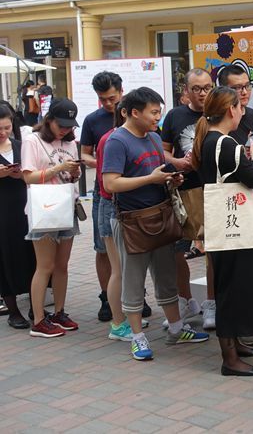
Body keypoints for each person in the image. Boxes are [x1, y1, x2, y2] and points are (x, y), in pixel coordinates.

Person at [103, 87, 209, 361]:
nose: (157, 117)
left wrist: (169, 179)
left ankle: (176, 328)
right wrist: (150, 179)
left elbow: (158, 171)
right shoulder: (118, 141)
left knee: (165, 276)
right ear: (134, 112)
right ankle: (137, 337)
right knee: (134, 280)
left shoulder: (152, 137)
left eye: (158, 111)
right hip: (131, 221)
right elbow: (110, 183)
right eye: (153, 112)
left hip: (160, 216)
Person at [194, 86, 253, 376]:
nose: (243, 111)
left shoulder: (213, 140)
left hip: (229, 226)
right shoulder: (224, 144)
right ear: (231, 110)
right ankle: (230, 359)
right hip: (233, 231)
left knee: (233, 287)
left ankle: (237, 345)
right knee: (232, 291)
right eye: (240, 107)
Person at [78, 71, 141, 322]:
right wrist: (105, 164)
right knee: (103, 248)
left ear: (121, 92)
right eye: (102, 99)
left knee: (134, 247)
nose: (107, 103)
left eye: (111, 98)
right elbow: (84, 154)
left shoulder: (134, 114)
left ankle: (136, 296)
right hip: (104, 192)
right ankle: (107, 297)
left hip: (131, 193)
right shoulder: (93, 121)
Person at [21, 98, 82, 338]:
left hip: (67, 205)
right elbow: (28, 177)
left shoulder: (70, 143)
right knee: (44, 265)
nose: (66, 130)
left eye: (70, 125)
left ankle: (59, 312)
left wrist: (74, 172)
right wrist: (58, 169)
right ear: (49, 120)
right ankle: (38, 319)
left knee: (62, 265)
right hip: (43, 208)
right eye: (61, 125)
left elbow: (71, 178)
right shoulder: (32, 141)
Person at [161, 69, 213, 327]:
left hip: (213, 190)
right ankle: (186, 300)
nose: (202, 93)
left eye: (207, 88)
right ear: (187, 91)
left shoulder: (218, 112)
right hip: (182, 192)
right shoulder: (174, 115)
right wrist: (178, 163)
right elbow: (163, 152)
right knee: (176, 250)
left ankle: (211, 304)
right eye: (197, 88)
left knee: (213, 250)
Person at [95, 99, 143, 342]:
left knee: (124, 269)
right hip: (111, 206)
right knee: (119, 270)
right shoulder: (112, 139)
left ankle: (124, 316)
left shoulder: (120, 137)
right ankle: (117, 323)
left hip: (118, 206)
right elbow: (109, 182)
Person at [0, 103, 37, 329]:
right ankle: (13, 310)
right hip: (2, 211)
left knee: (31, 254)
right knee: (5, 257)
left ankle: (36, 305)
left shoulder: (19, 145)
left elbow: (32, 173)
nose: (3, 133)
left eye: (6, 127)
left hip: (24, 207)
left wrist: (19, 175)